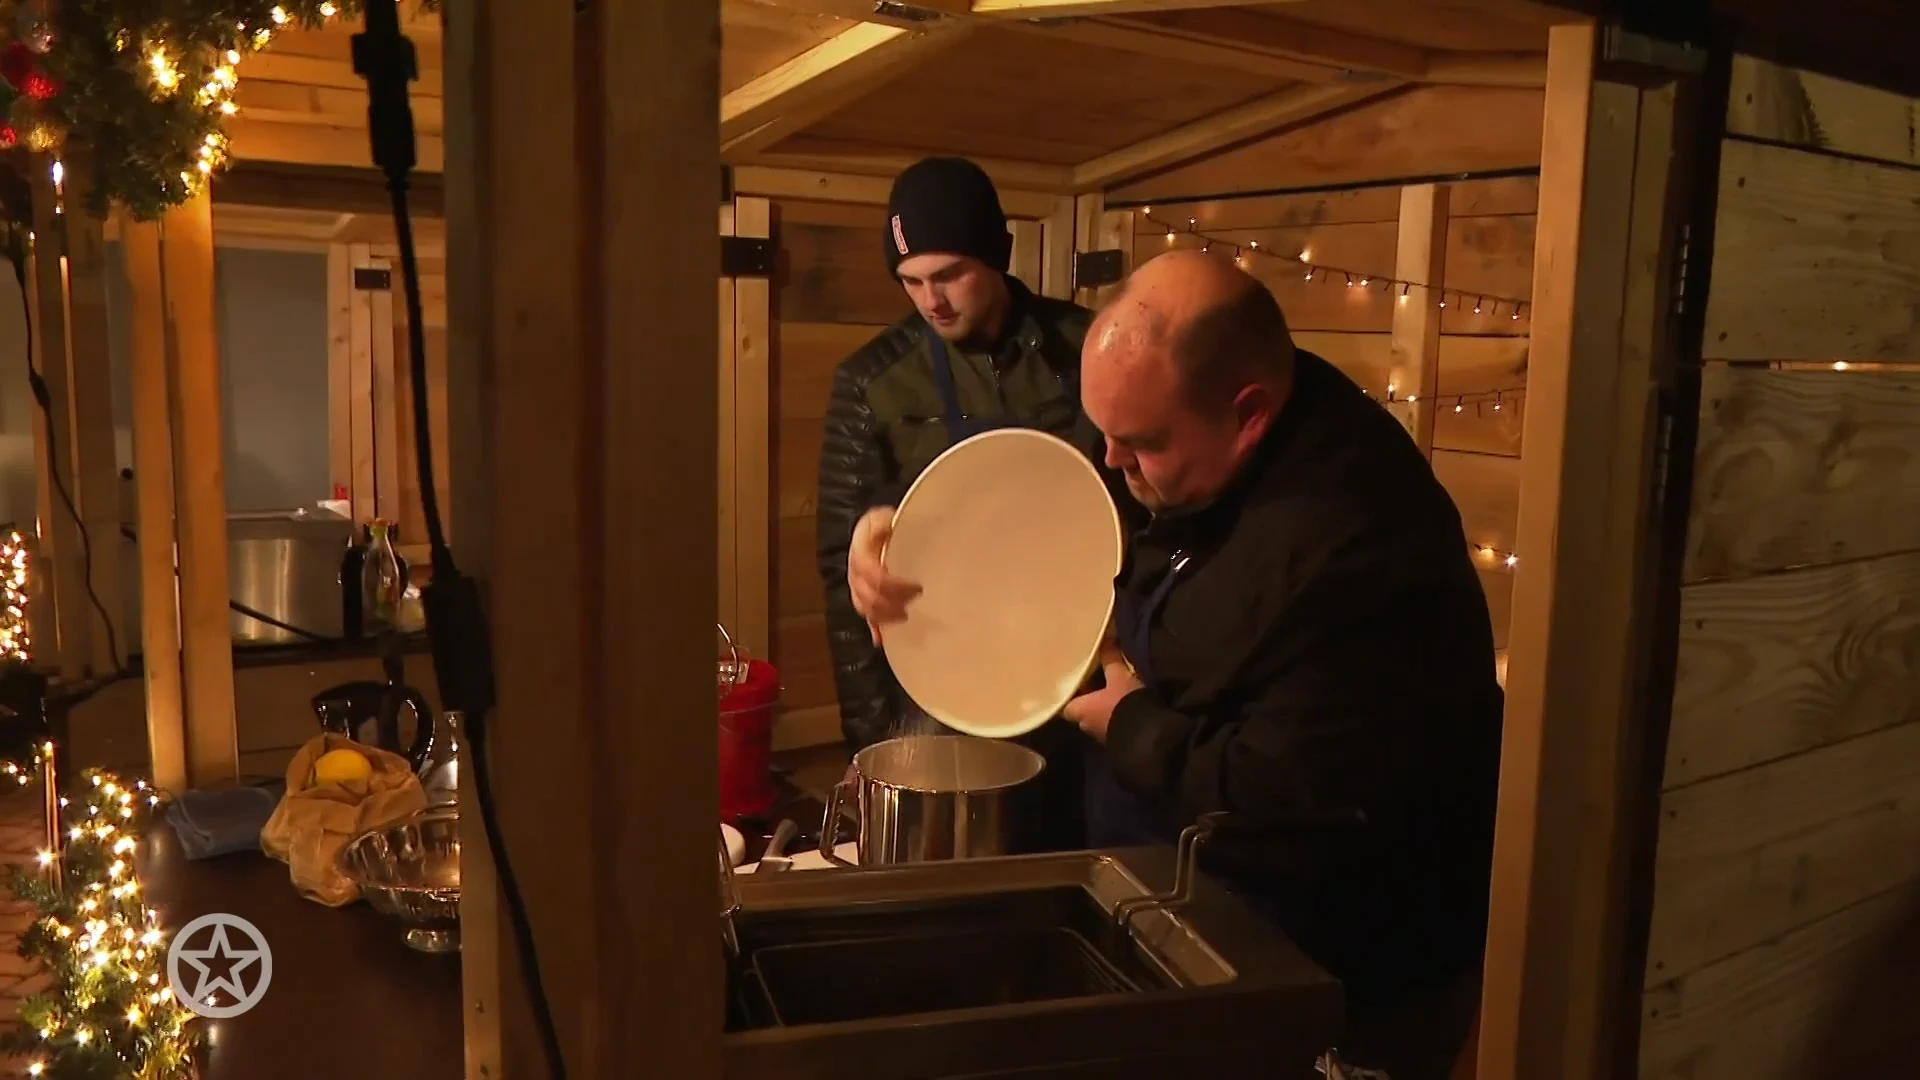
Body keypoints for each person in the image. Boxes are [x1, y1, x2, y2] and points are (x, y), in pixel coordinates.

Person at [1058, 249, 1503, 1078]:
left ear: (1249, 414)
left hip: (1338, 961)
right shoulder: (1195, 429)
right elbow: (1089, 471)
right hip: (1188, 889)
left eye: (1140, 445)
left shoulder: (1357, 553)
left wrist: (1131, 724)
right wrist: (908, 539)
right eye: (1106, 434)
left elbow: (1283, 796)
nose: (1111, 464)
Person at [815, 156, 1094, 852]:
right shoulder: (871, 382)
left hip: (1076, 658)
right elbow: (842, 573)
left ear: (995, 256)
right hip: (945, 675)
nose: (930, 301)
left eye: (948, 276)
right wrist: (873, 744)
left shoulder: (1087, 349)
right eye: (911, 282)